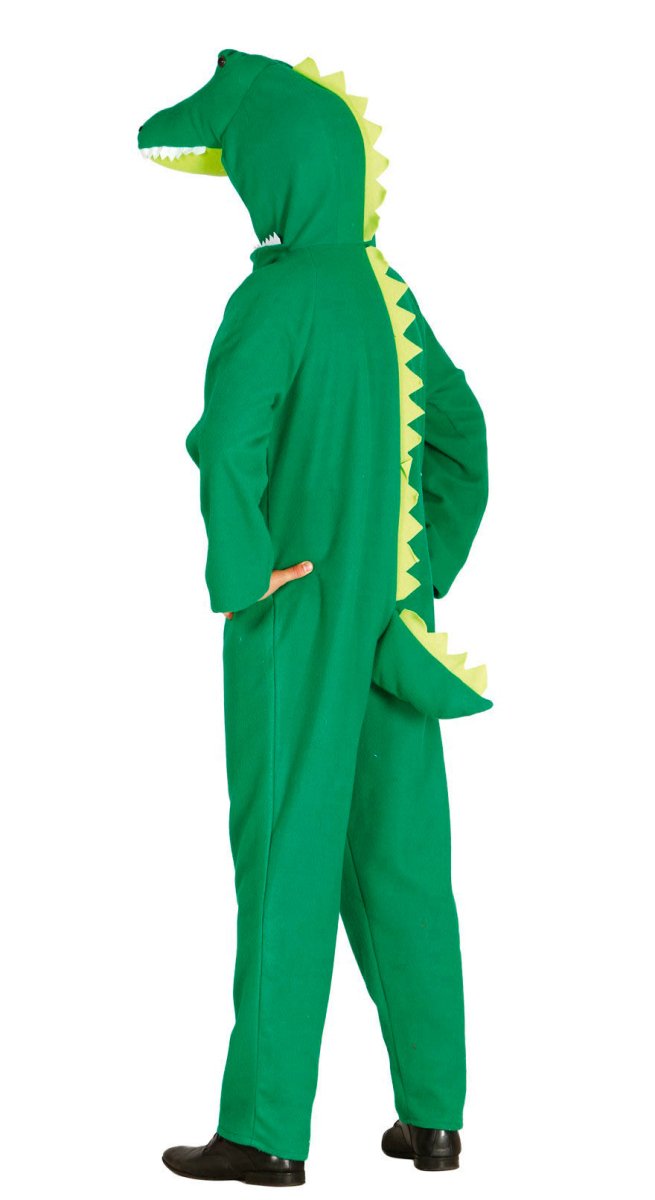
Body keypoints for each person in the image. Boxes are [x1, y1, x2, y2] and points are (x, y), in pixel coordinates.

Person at [138, 48, 491, 1186]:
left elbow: (225, 443)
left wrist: (246, 575)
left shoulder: (275, 295)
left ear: (280, 169)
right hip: (393, 630)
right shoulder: (389, 294)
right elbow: (463, 441)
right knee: (403, 865)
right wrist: (418, 569)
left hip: (299, 624)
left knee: (285, 855)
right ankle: (433, 1119)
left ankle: (263, 1132)